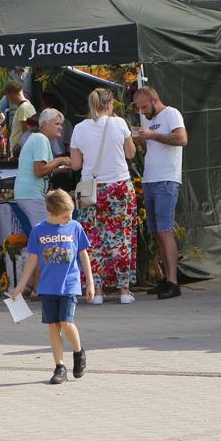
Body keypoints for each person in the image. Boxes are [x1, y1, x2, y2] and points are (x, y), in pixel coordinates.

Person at [8, 190, 95, 384]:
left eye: (70, 214)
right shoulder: (39, 230)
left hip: (69, 285)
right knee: (53, 325)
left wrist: (90, 282)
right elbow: (32, 259)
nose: (69, 218)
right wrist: (21, 285)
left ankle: (78, 353)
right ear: (52, 213)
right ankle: (59, 366)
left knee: (66, 321)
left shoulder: (75, 227)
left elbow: (83, 255)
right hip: (48, 287)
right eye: (65, 216)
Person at [70, 87, 138, 304]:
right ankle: (124, 291)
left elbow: (76, 164)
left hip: (91, 189)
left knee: (93, 239)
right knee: (121, 238)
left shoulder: (79, 128)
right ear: (110, 103)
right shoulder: (119, 124)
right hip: (119, 186)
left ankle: (96, 292)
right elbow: (131, 153)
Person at [134, 85, 187, 300]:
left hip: (166, 179)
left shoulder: (171, 113)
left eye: (145, 107)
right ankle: (166, 278)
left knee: (164, 230)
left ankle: (173, 281)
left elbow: (182, 139)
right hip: (150, 179)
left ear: (155, 100)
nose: (142, 111)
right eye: (139, 108)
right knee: (156, 232)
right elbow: (153, 148)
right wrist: (143, 142)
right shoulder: (149, 120)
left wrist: (153, 135)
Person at [15, 109, 72, 233]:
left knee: (44, 232)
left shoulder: (38, 138)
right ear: (45, 124)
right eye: (57, 124)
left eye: (61, 124)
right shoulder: (41, 139)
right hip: (31, 194)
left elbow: (41, 171)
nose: (61, 127)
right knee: (47, 233)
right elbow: (39, 171)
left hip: (28, 193)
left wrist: (58, 170)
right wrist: (60, 160)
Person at [4, 80, 36, 156]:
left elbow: (26, 133)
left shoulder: (23, 107)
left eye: (6, 94)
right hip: (20, 152)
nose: (6, 97)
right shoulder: (24, 106)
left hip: (20, 153)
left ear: (12, 93)